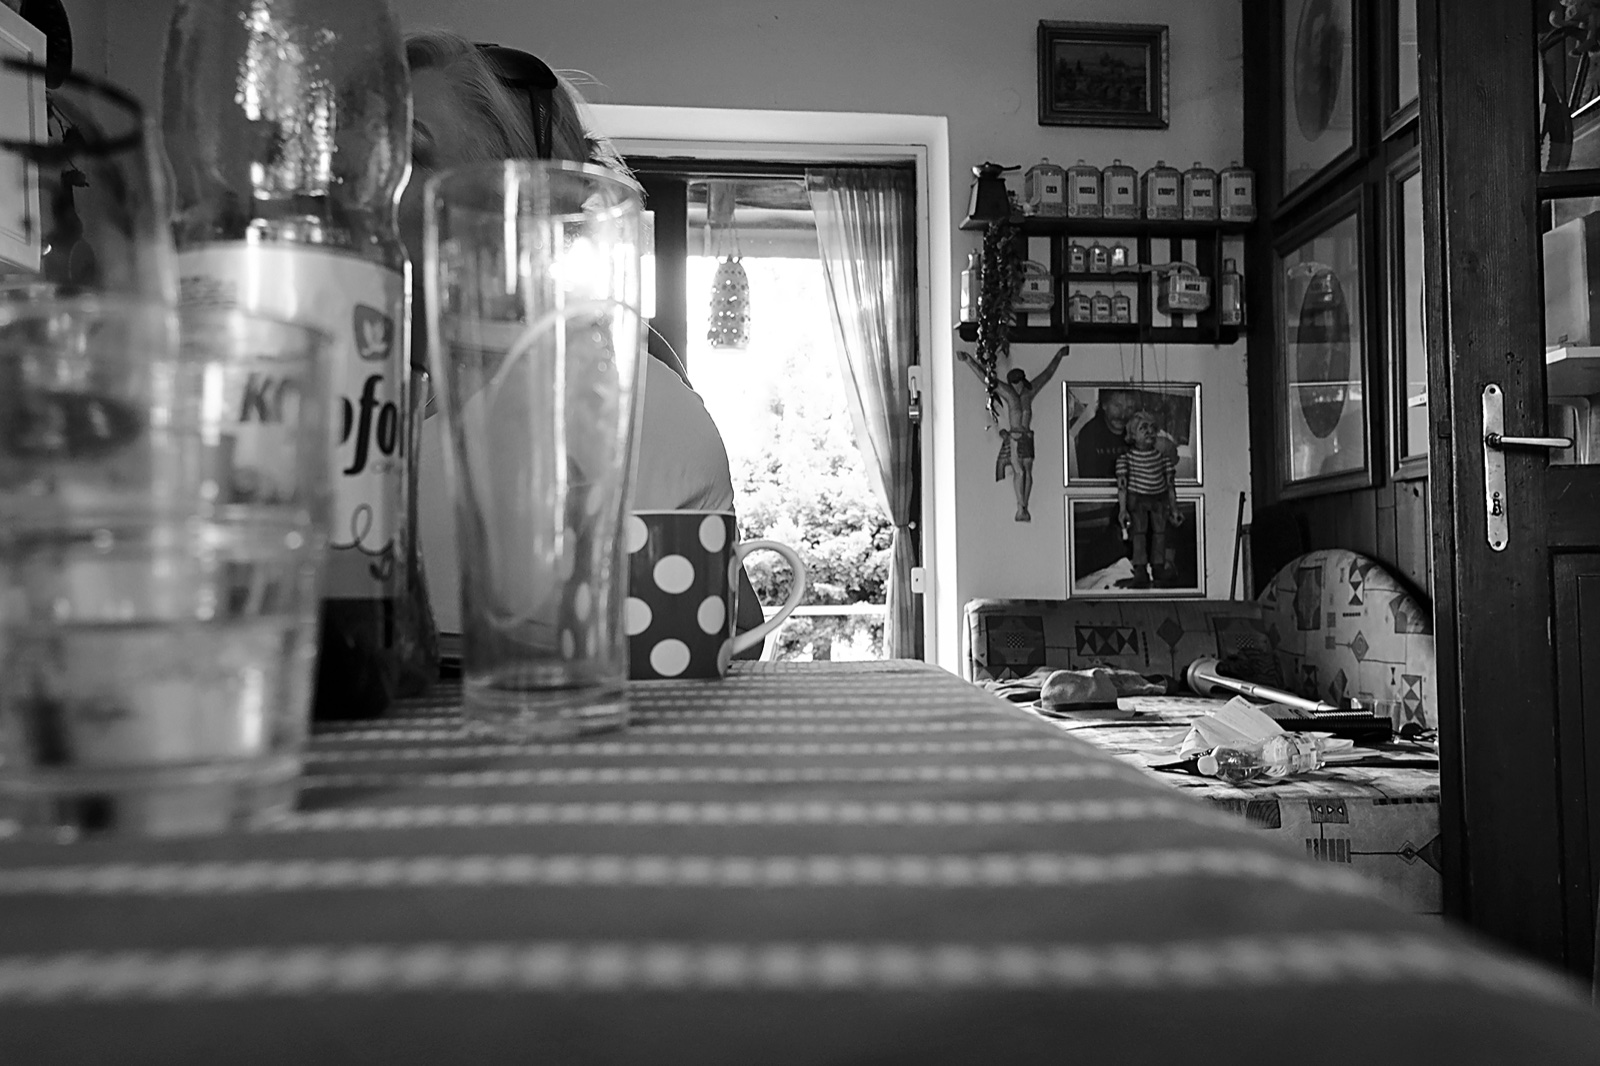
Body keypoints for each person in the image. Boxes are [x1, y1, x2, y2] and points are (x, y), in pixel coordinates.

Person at [402, 29, 767, 651]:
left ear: (519, 203)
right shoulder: (392, 405)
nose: (353, 184)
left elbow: (696, 658)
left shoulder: (617, 410)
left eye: (406, 152)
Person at [955, 345, 1068, 522]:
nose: (1017, 387)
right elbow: (986, 379)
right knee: (1019, 472)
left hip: (1027, 436)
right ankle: (1020, 506)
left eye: (1019, 383)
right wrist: (969, 360)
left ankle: (1025, 506)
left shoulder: (1029, 392)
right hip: (1015, 437)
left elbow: (1047, 374)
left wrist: (1059, 356)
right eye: (1014, 384)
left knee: (1028, 471)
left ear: (1023, 381)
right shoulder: (1009, 394)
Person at [1115, 409, 1182, 589]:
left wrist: (1174, 508)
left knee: (1160, 534)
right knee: (1138, 534)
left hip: (1159, 500)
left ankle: (1158, 568)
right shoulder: (1125, 460)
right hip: (1137, 500)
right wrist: (1123, 510)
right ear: (1132, 434)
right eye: (1143, 428)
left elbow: (1170, 486)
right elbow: (1122, 486)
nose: (1149, 431)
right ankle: (1140, 569)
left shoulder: (1163, 459)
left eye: (1152, 428)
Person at [1072, 388, 1134, 479]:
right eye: (1117, 406)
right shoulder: (1089, 434)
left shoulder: (1138, 431)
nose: (1123, 415)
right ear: (1104, 404)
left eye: (1129, 408)